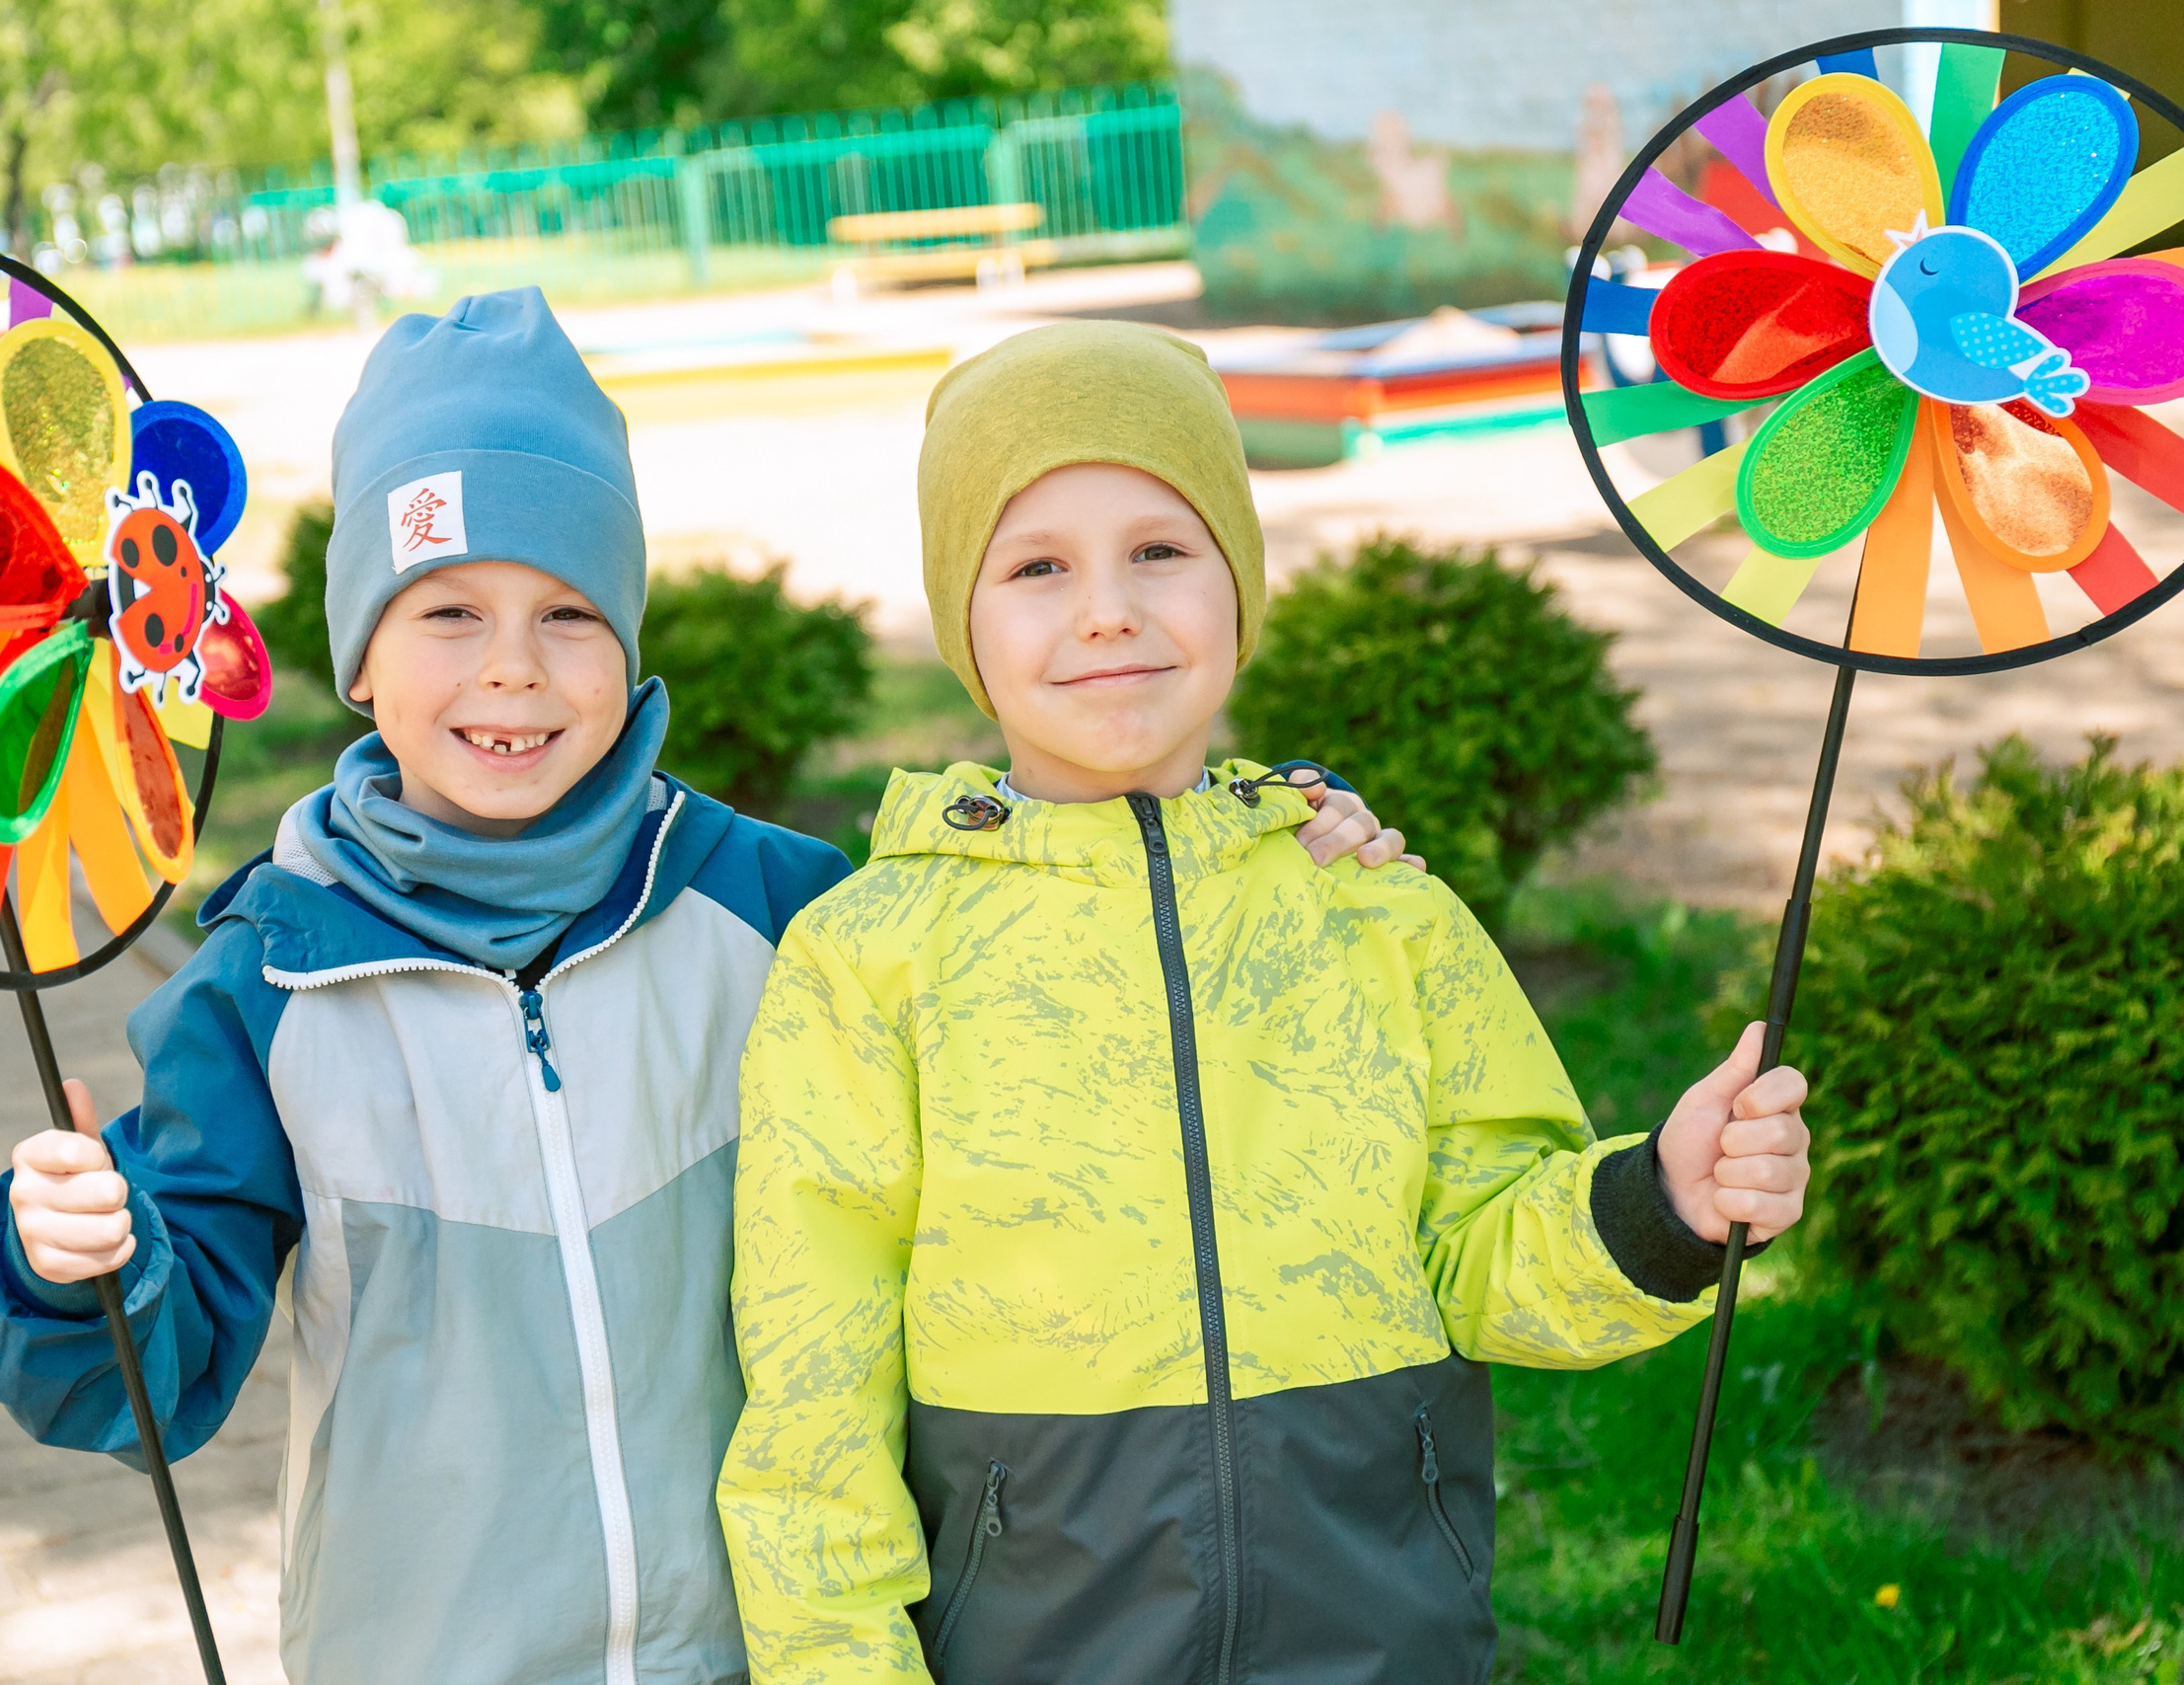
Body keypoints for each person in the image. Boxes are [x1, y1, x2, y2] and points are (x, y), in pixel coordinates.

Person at [0, 291, 1408, 1685]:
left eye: (569, 614)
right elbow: (149, 1386)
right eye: (447, 613)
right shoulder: (267, 983)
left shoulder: (781, 908)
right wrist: (77, 1269)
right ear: (360, 656)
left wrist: (1268, 843)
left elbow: (1052, 978)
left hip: (766, 1652)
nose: (513, 672)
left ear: (629, 639)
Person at [716, 322, 1815, 1685]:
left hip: (1379, 1634)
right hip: (1036, 1644)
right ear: (963, 622)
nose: (1108, 609)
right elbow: (813, 1395)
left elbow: (1482, 1257)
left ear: (1239, 584)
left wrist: (1662, 1204)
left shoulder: (1378, 909)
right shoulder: (868, 957)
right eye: (1038, 566)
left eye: (1160, 550)